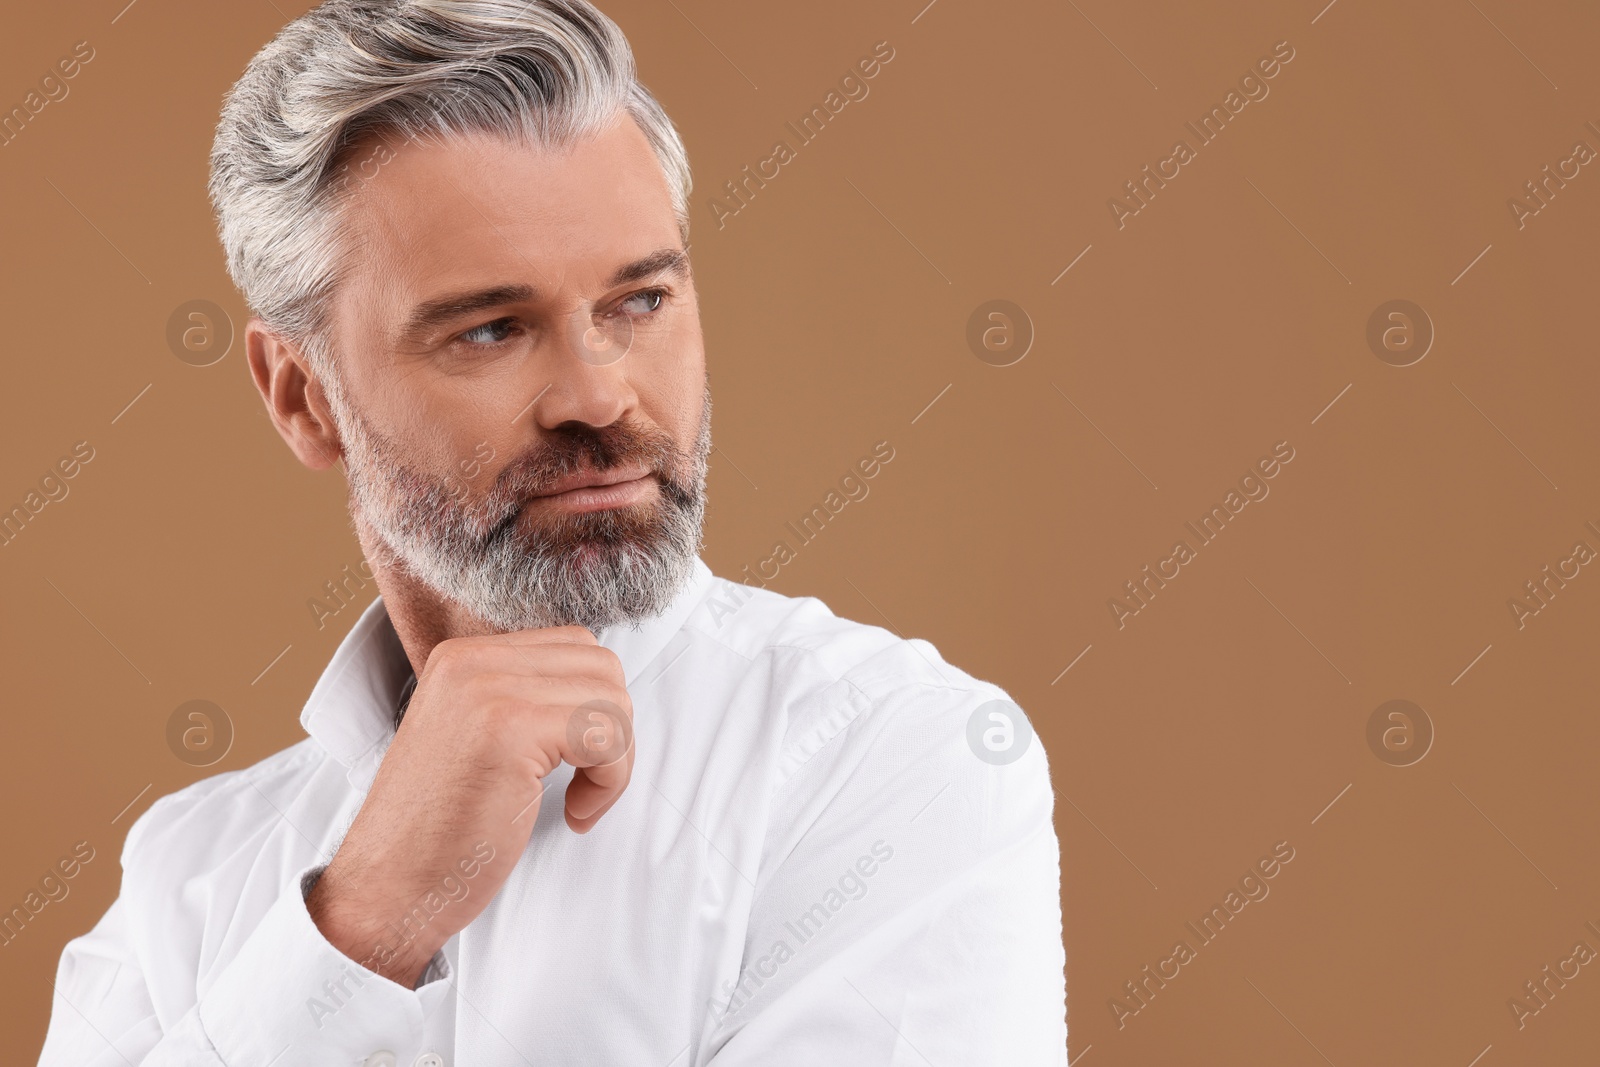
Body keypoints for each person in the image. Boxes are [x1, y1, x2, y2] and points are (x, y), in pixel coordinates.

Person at [38, 1, 1065, 1063]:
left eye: (640, 301)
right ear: (303, 396)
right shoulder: (188, 876)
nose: (598, 394)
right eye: (490, 327)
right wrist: (361, 923)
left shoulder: (892, 756)